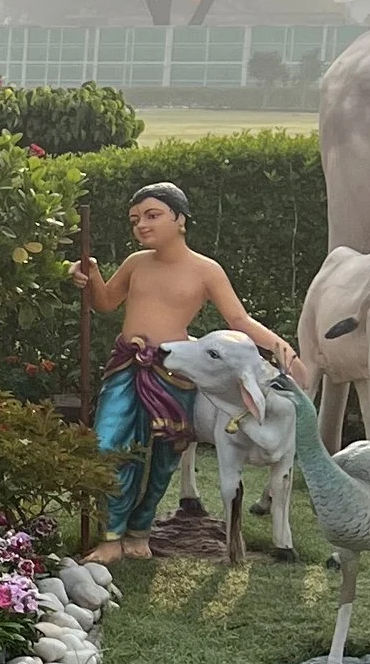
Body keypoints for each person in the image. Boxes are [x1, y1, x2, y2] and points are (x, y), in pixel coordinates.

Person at [72, 180, 298, 562]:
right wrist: (90, 275)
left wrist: (282, 350)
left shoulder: (206, 270)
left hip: (176, 372)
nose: (141, 225)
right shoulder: (134, 264)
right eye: (135, 219)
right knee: (108, 445)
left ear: (180, 219)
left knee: (164, 455)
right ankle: (110, 537)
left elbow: (238, 318)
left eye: (152, 215)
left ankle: (140, 529)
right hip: (127, 365)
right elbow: (107, 303)